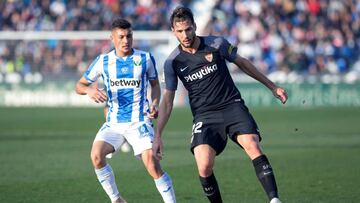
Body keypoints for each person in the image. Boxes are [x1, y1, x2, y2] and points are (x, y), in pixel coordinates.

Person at [153, 6, 288, 203]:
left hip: (232, 106)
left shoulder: (216, 43)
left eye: (188, 29)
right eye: (180, 31)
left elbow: (242, 63)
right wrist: (158, 135)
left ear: (195, 26)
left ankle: (274, 200)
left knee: (252, 145)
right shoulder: (173, 62)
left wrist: (272, 86)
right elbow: (168, 100)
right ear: (174, 31)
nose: (185, 34)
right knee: (204, 165)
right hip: (205, 116)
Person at [75, 18, 176, 203]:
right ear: (112, 38)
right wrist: (89, 90)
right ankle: (116, 199)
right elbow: (79, 85)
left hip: (139, 121)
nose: (126, 40)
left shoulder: (144, 58)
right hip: (113, 123)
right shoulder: (103, 61)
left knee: (152, 164)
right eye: (121, 37)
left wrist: (154, 103)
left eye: (129, 36)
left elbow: (155, 86)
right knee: (96, 156)